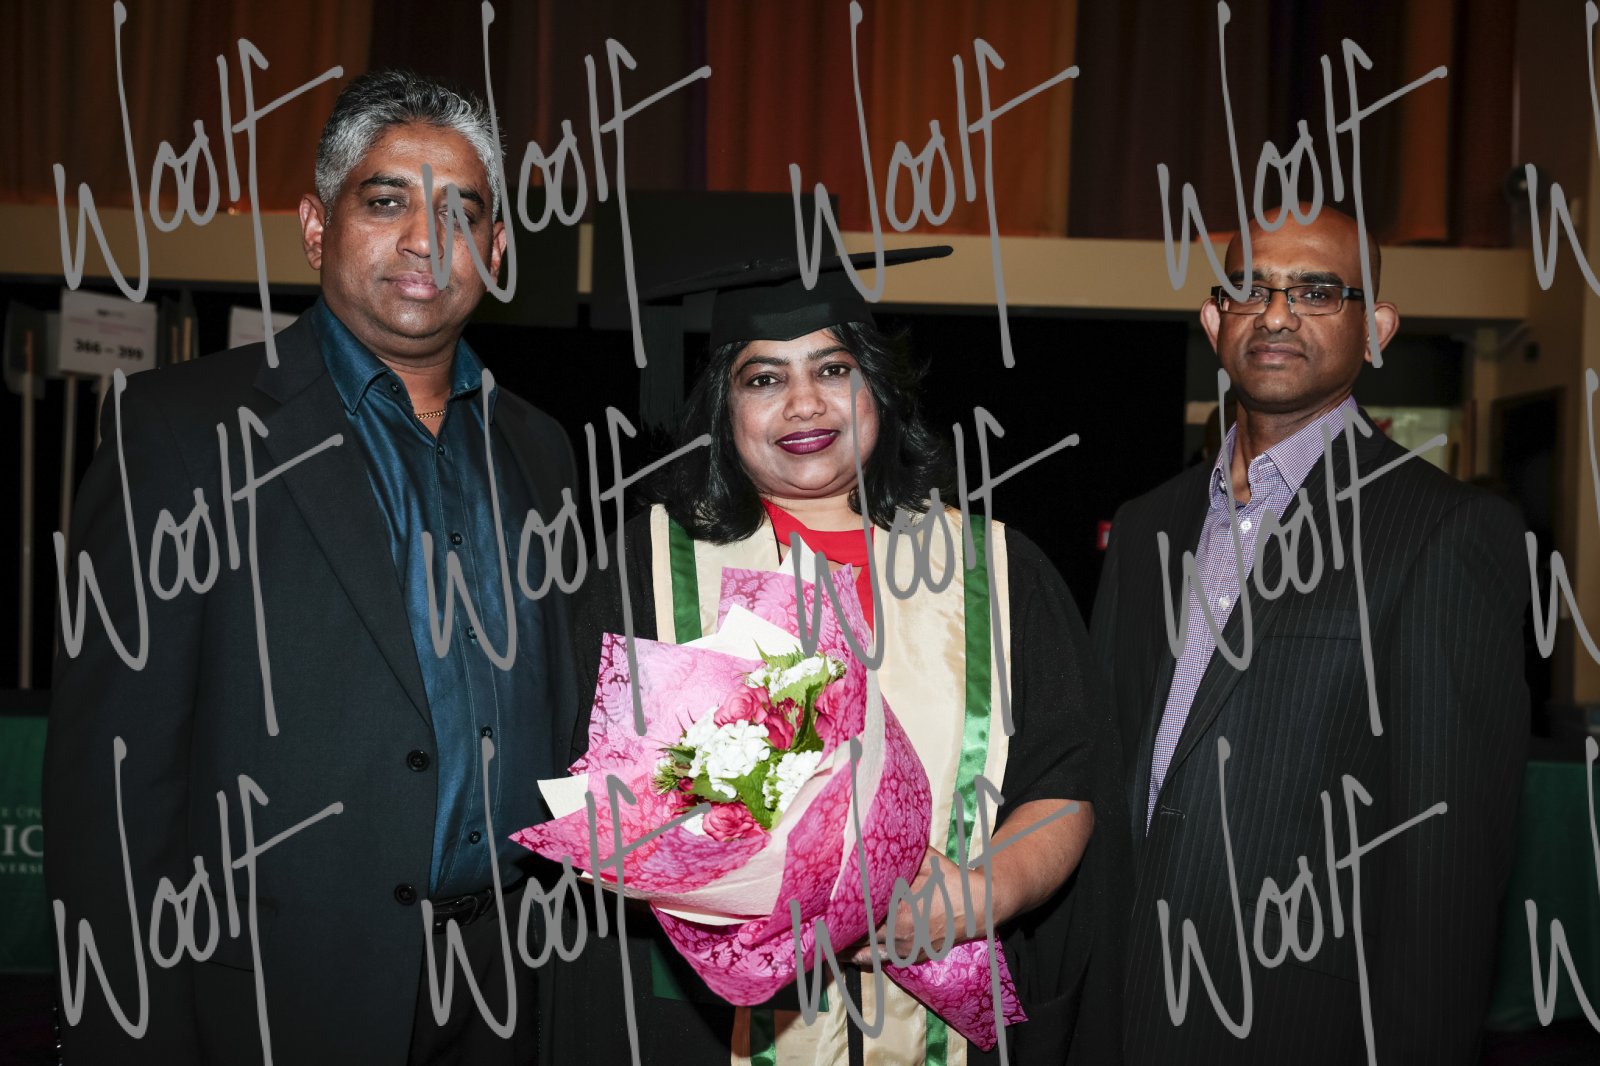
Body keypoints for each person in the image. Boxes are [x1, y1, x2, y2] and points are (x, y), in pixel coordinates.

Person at [44, 70, 577, 1064]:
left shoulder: (540, 450)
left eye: (461, 212)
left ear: (497, 250)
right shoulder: (182, 434)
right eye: (387, 203)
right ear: (316, 226)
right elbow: (112, 793)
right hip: (275, 1003)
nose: (426, 241)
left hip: (508, 987)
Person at [546, 247, 1109, 1066]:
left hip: (944, 1008)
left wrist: (980, 894)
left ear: (878, 387)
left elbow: (1065, 782)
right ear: (724, 407)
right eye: (763, 378)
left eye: (833, 369)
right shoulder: (649, 565)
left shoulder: (994, 566)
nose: (804, 403)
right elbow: (598, 804)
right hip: (706, 1024)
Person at [1091, 205, 1530, 1064]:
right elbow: (1107, 770)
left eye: (1317, 292)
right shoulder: (1146, 526)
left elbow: (1444, 870)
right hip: (1123, 1008)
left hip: (1299, 1023)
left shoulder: (1443, 533)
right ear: (1215, 320)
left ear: (1377, 331)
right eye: (1250, 289)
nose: (1277, 314)